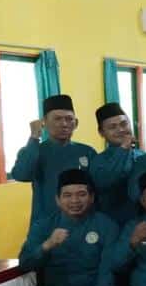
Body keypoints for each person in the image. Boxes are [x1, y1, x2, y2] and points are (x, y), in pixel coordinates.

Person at [12, 94, 96, 225]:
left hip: (82, 224)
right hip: (45, 224)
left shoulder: (87, 152)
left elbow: (97, 188)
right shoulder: (34, 150)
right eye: (57, 119)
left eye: (69, 119)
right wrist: (34, 137)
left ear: (76, 123)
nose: (64, 124)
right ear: (44, 122)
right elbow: (21, 174)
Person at [89, 102, 142, 225]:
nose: (121, 130)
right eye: (112, 127)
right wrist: (123, 149)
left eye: (124, 124)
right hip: (111, 224)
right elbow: (107, 180)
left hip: (142, 222)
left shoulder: (142, 156)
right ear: (101, 132)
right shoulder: (98, 161)